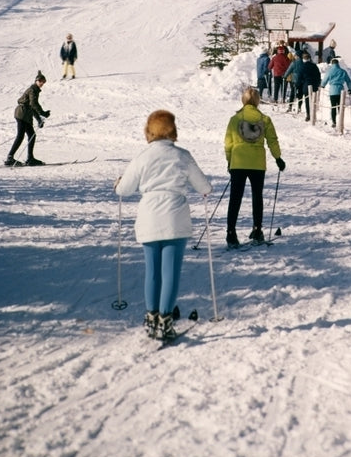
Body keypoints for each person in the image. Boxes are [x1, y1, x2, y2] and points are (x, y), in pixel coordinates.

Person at [114, 110, 211, 342]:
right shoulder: (183, 156)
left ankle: (151, 317)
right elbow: (204, 187)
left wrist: (118, 183)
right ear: (173, 130)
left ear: (149, 131)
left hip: (149, 218)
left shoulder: (142, 157)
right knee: (170, 273)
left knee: (153, 271)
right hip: (175, 219)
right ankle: (165, 320)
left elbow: (124, 190)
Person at [224, 88, 285, 247]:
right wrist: (278, 158)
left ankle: (231, 233)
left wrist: (229, 161)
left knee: (235, 198)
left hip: (238, 163)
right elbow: (273, 140)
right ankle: (257, 231)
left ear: (243, 101)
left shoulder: (234, 119)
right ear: (258, 101)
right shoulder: (265, 119)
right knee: (257, 197)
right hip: (257, 164)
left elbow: (228, 144)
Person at [4, 71, 51, 166]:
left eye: (44, 82)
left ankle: (30, 158)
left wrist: (39, 119)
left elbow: (32, 107)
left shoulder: (35, 90)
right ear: (36, 81)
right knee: (20, 136)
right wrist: (42, 113)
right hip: (22, 114)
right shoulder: (33, 89)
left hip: (26, 115)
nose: (42, 83)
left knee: (32, 135)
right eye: (41, 81)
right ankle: (10, 158)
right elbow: (33, 104)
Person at [321, 56, 351, 127]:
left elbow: (325, 79)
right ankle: (340, 121)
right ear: (338, 64)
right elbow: (348, 81)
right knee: (340, 107)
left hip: (332, 91)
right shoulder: (343, 71)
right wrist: (350, 89)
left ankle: (334, 122)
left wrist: (322, 85)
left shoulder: (330, 71)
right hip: (341, 91)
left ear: (332, 64)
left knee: (333, 107)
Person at [295, 50, 320, 121]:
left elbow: (299, 78)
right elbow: (318, 76)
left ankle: (308, 114)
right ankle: (313, 114)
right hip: (314, 86)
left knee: (307, 101)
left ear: (303, 59)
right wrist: (317, 84)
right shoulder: (314, 66)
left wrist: (297, 85)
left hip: (306, 86)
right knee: (313, 101)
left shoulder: (302, 67)